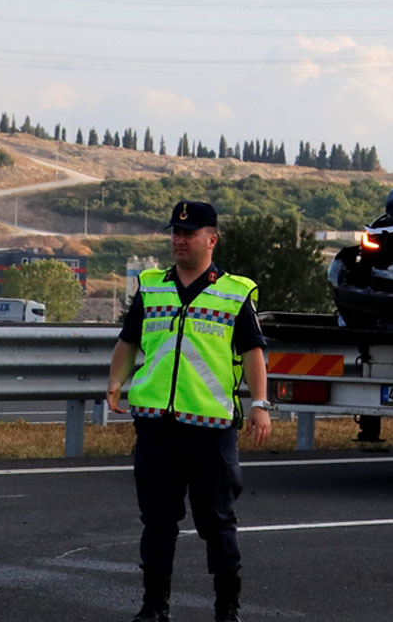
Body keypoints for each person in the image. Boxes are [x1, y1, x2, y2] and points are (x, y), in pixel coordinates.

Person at [107, 200, 271, 622]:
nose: (179, 240)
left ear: (211, 239)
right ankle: (154, 606)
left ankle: (227, 608)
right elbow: (129, 341)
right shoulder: (152, 286)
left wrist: (260, 405)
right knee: (157, 521)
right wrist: (115, 382)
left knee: (217, 521)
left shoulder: (234, 293)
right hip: (157, 424)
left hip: (210, 426)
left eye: (189, 233)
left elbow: (253, 353)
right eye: (176, 233)